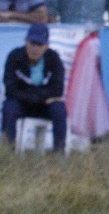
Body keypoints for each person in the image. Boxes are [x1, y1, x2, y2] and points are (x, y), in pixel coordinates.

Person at [2, 22, 66, 152]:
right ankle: (7, 152)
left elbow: (58, 89)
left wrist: (33, 95)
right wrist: (37, 96)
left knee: (59, 109)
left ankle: (59, 153)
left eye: (40, 44)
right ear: (25, 41)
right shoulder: (14, 57)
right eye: (32, 43)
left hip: (43, 105)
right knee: (9, 107)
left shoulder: (54, 59)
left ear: (47, 45)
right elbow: (10, 87)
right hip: (22, 104)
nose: (35, 48)